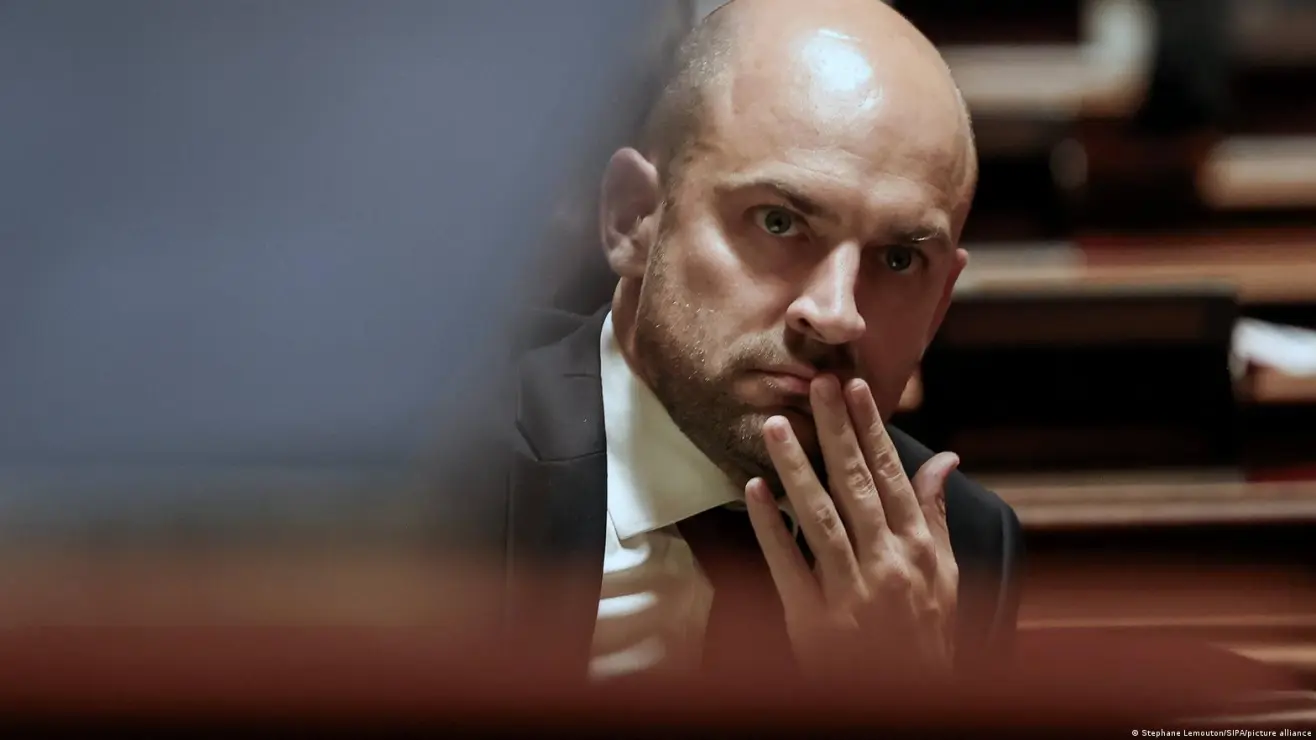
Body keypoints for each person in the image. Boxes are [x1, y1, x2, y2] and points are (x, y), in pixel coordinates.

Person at [449, 0, 1023, 683]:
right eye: (779, 222)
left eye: (899, 260)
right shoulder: (434, 478)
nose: (836, 314)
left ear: (939, 306)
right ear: (635, 217)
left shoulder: (957, 551)